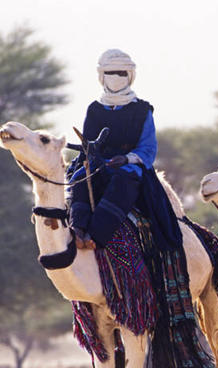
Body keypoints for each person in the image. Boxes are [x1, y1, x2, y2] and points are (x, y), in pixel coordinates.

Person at [68, 48, 158, 249]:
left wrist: (126, 159)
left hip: (129, 166)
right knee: (80, 178)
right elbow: (87, 143)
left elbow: (148, 148)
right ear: (102, 76)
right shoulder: (94, 109)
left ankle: (96, 236)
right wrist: (92, 155)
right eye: (110, 73)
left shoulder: (142, 110)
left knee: (122, 180)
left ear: (130, 76)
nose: (116, 78)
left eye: (121, 73)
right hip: (97, 163)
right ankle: (77, 229)